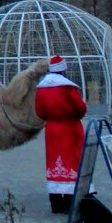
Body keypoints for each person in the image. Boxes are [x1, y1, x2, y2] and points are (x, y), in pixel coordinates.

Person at [34, 55, 88, 214]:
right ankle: (71, 200)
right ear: (63, 70)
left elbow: (39, 112)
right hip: (70, 129)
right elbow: (80, 108)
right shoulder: (69, 87)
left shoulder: (41, 88)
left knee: (54, 163)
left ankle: (56, 202)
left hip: (52, 130)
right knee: (72, 161)